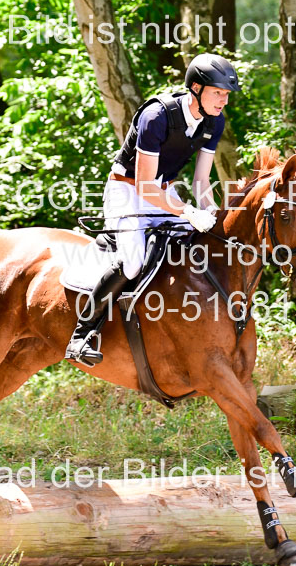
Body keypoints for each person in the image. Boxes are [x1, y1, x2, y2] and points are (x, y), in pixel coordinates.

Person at [64, 53, 240, 366]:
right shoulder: (157, 115)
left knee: (196, 245)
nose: (223, 101)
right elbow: (145, 186)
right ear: (196, 88)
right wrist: (187, 212)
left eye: (226, 95)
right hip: (127, 189)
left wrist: (212, 216)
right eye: (218, 93)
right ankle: (82, 333)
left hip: (164, 190)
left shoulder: (215, 120)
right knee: (133, 263)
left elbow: (201, 181)